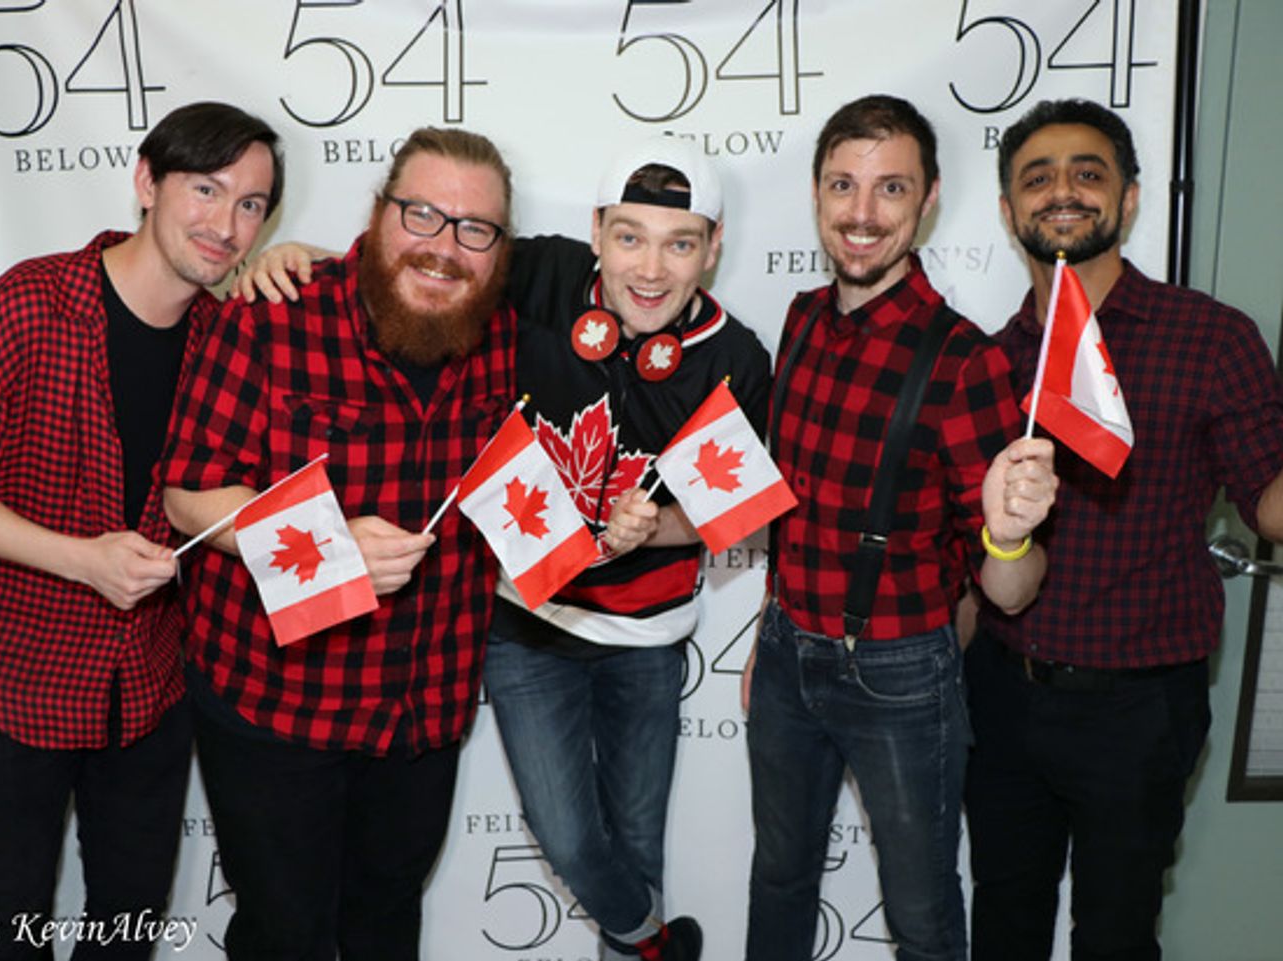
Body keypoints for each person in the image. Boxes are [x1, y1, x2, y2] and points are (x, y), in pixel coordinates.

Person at [239, 136, 769, 961]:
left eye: (681, 241)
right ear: (595, 231)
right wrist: (304, 258)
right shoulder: (541, 276)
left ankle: (636, 945)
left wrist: (652, 527)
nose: (652, 267)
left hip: (649, 634)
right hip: (530, 620)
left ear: (715, 244)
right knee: (566, 834)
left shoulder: (736, 358)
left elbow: (728, 518)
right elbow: (427, 260)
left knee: (636, 839)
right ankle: (652, 935)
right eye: (629, 235)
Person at [0, 101, 281, 959]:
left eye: (252, 204)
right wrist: (81, 560)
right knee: (4, 923)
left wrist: (305, 261)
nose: (226, 223)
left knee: (128, 926)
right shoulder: (23, 309)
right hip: (11, 681)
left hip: (149, 687)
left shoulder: (227, 337)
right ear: (147, 182)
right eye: (206, 189)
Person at [159, 126, 517, 961]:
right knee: (284, 933)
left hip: (422, 707)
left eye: (475, 228)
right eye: (421, 214)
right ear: (379, 210)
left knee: (387, 918)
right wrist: (323, 539)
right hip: (277, 706)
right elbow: (185, 495)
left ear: (502, 246)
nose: (444, 246)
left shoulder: (499, 330)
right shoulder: (276, 314)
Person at [964, 98, 1283, 961]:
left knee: (1115, 934)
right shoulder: (987, 361)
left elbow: (1270, 507)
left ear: (1130, 200)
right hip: (1003, 693)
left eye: (1087, 173)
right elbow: (984, 568)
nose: (1061, 191)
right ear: (1007, 212)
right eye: (1037, 178)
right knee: (1002, 920)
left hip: (1141, 706)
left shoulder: (1210, 337)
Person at [741, 94, 1058, 961]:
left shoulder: (966, 360)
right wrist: (769, 634)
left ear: (928, 202)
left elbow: (1010, 588)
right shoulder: (801, 319)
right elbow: (789, 507)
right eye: (843, 184)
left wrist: (1010, 535)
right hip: (784, 651)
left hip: (900, 674)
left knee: (919, 912)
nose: (861, 212)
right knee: (777, 876)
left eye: (890, 188)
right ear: (815, 194)